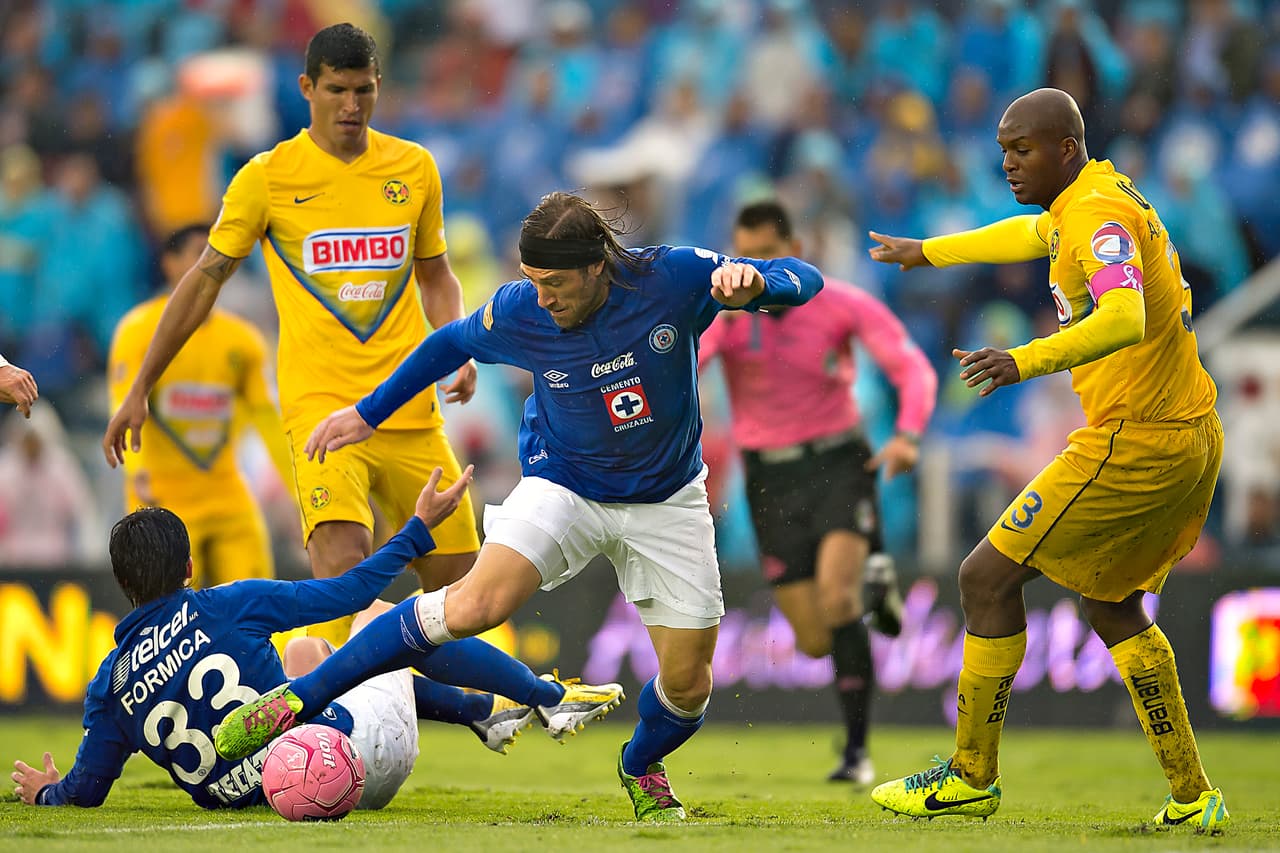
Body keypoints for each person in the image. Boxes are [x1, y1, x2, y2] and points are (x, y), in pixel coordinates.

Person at [212, 190, 825, 823]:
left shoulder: (671, 277)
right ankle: (296, 700)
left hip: (667, 499)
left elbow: (805, 279)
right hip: (565, 484)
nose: (542, 297)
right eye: (532, 280)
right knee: (474, 605)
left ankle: (640, 763)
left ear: (597, 267)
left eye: (554, 283)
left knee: (689, 686)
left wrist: (759, 281)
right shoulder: (521, 310)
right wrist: (369, 413)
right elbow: (449, 342)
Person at [866, 88, 1228, 831]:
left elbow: (1124, 315)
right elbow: (1030, 236)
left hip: (1137, 438)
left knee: (984, 578)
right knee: (1111, 604)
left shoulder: (1095, 215)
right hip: (1187, 432)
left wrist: (1024, 359)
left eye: (1022, 150)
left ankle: (971, 775)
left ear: (1066, 147)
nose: (1007, 163)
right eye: (1003, 150)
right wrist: (928, 251)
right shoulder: (1087, 199)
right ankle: (1194, 796)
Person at [101, 23, 480, 647]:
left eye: (363, 90)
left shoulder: (414, 168)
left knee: (461, 589)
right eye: (337, 90)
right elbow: (204, 280)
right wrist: (142, 383)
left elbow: (436, 277)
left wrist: (456, 345)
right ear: (307, 87)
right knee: (343, 566)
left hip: (408, 408)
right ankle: (324, 699)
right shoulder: (268, 177)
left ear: (378, 86)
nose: (351, 105)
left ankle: (421, 687)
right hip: (321, 410)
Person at [10, 469, 624, 810]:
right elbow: (351, 592)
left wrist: (45, 794)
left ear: (122, 584)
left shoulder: (109, 684)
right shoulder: (227, 603)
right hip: (348, 760)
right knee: (383, 616)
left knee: (306, 653)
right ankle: (506, 702)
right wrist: (416, 530)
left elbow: (86, 790)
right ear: (189, 569)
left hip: (277, 792)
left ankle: (481, 714)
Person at [698, 200, 938, 784]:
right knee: (811, 641)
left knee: (837, 599)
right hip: (767, 479)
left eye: (766, 255)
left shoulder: (839, 302)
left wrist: (907, 435)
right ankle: (874, 574)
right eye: (744, 256)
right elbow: (681, 366)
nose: (753, 269)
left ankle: (856, 752)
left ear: (794, 253)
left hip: (837, 463)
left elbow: (912, 368)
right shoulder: (723, 316)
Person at [107, 224, 293, 587]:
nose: (215, 262)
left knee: (255, 598)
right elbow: (122, 403)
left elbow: (267, 418)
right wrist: (137, 472)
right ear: (170, 263)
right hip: (162, 497)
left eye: (219, 254)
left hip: (226, 493)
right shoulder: (139, 330)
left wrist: (298, 488)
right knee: (170, 608)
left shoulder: (242, 340)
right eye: (200, 254)